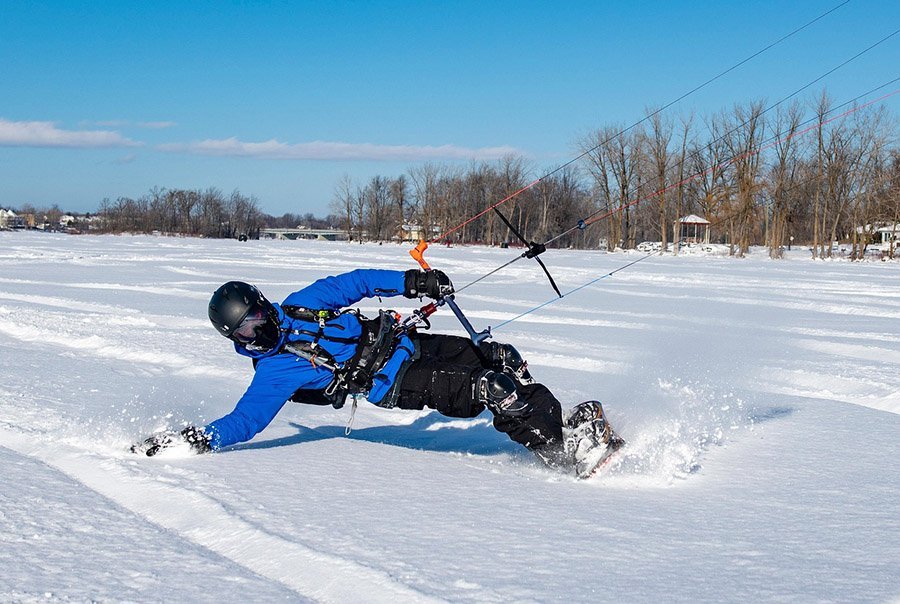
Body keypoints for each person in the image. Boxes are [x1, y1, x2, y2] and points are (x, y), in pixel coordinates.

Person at [131, 268, 623, 477]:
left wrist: (412, 282)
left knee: (500, 360)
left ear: (264, 304)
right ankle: (560, 452)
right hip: (394, 384)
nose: (256, 335)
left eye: (256, 321)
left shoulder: (304, 304)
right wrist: (195, 439)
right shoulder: (272, 372)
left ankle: (561, 428)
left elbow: (359, 282)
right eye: (244, 336)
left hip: (407, 342)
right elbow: (245, 421)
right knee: (487, 388)